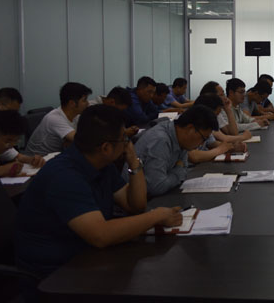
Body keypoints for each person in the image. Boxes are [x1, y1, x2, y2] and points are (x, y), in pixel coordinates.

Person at [16, 105, 183, 279]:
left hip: (85, 256)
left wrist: (134, 161)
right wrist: (156, 216)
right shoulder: (64, 176)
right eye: (124, 139)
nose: (127, 144)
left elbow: (135, 205)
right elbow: (100, 235)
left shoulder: (101, 163)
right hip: (53, 274)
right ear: (106, 148)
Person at [132, 104, 218, 197]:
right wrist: (178, 170)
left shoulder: (182, 139)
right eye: (203, 138)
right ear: (190, 128)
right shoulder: (161, 140)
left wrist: (176, 172)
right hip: (139, 200)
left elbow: (184, 168)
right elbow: (157, 187)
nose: (201, 144)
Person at [25, 82, 92, 156]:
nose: (88, 103)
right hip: (36, 160)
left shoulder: (75, 116)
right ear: (72, 103)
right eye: (84, 100)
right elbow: (82, 141)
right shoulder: (54, 119)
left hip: (56, 155)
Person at [0, 87, 45, 166]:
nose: (13, 117)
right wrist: (4, 170)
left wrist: (31, 159)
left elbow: (10, 153)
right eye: (11, 112)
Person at [188, 94, 246, 164]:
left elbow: (212, 143)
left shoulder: (206, 125)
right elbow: (193, 155)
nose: (216, 119)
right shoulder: (188, 125)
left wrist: (232, 147)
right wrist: (219, 150)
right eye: (215, 115)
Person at [0, 110, 43, 176]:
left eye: (15, 141)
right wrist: (3, 170)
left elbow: (18, 156)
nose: (11, 146)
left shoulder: (0, 145)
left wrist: (31, 160)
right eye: (8, 141)